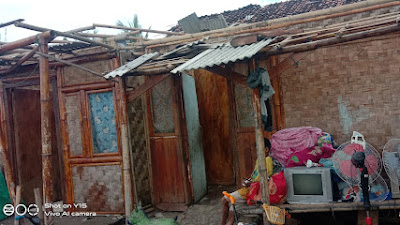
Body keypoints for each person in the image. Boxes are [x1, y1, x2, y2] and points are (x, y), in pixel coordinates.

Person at [220, 138, 272, 225]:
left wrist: (249, 183)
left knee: (224, 200)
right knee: (233, 209)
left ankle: (221, 223)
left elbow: (265, 179)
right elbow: (255, 176)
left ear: (266, 149)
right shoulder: (260, 160)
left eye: (259, 150)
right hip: (251, 188)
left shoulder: (267, 161)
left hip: (253, 190)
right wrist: (248, 180)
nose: (257, 152)